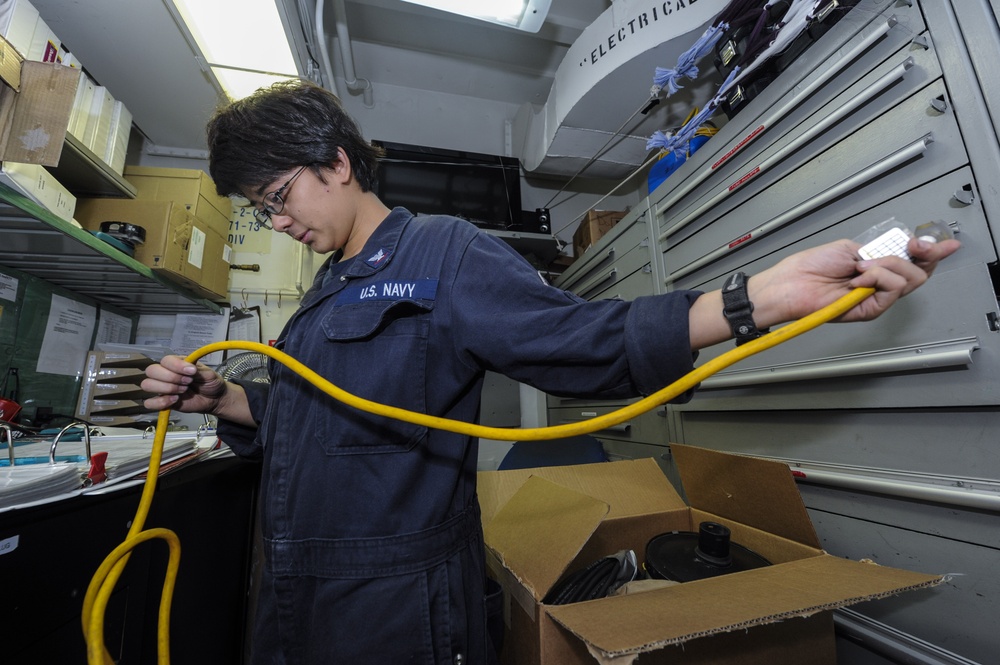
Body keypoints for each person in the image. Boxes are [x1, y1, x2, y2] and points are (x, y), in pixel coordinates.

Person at [141, 79, 960, 665]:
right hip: (295, 594)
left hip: (394, 608)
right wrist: (228, 399)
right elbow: (322, 417)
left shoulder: (445, 254)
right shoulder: (323, 293)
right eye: (262, 209)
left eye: (279, 196)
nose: (277, 222)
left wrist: (752, 300)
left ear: (335, 161)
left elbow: (585, 341)